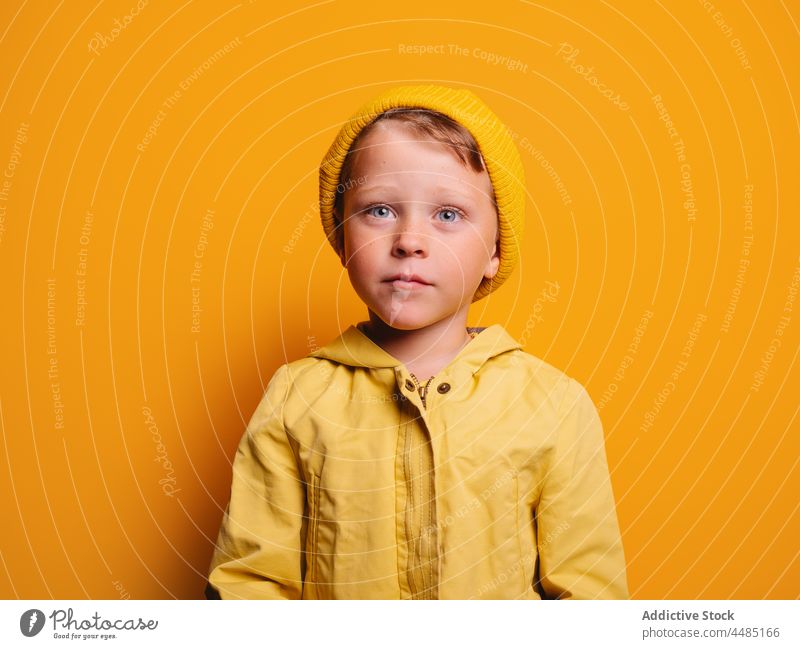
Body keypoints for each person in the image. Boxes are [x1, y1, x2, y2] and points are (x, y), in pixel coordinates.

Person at [205, 84, 628, 599]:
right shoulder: (297, 398)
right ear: (342, 238)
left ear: (495, 250)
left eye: (448, 215)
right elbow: (250, 584)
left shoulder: (555, 405)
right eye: (379, 210)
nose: (409, 240)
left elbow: (590, 596)